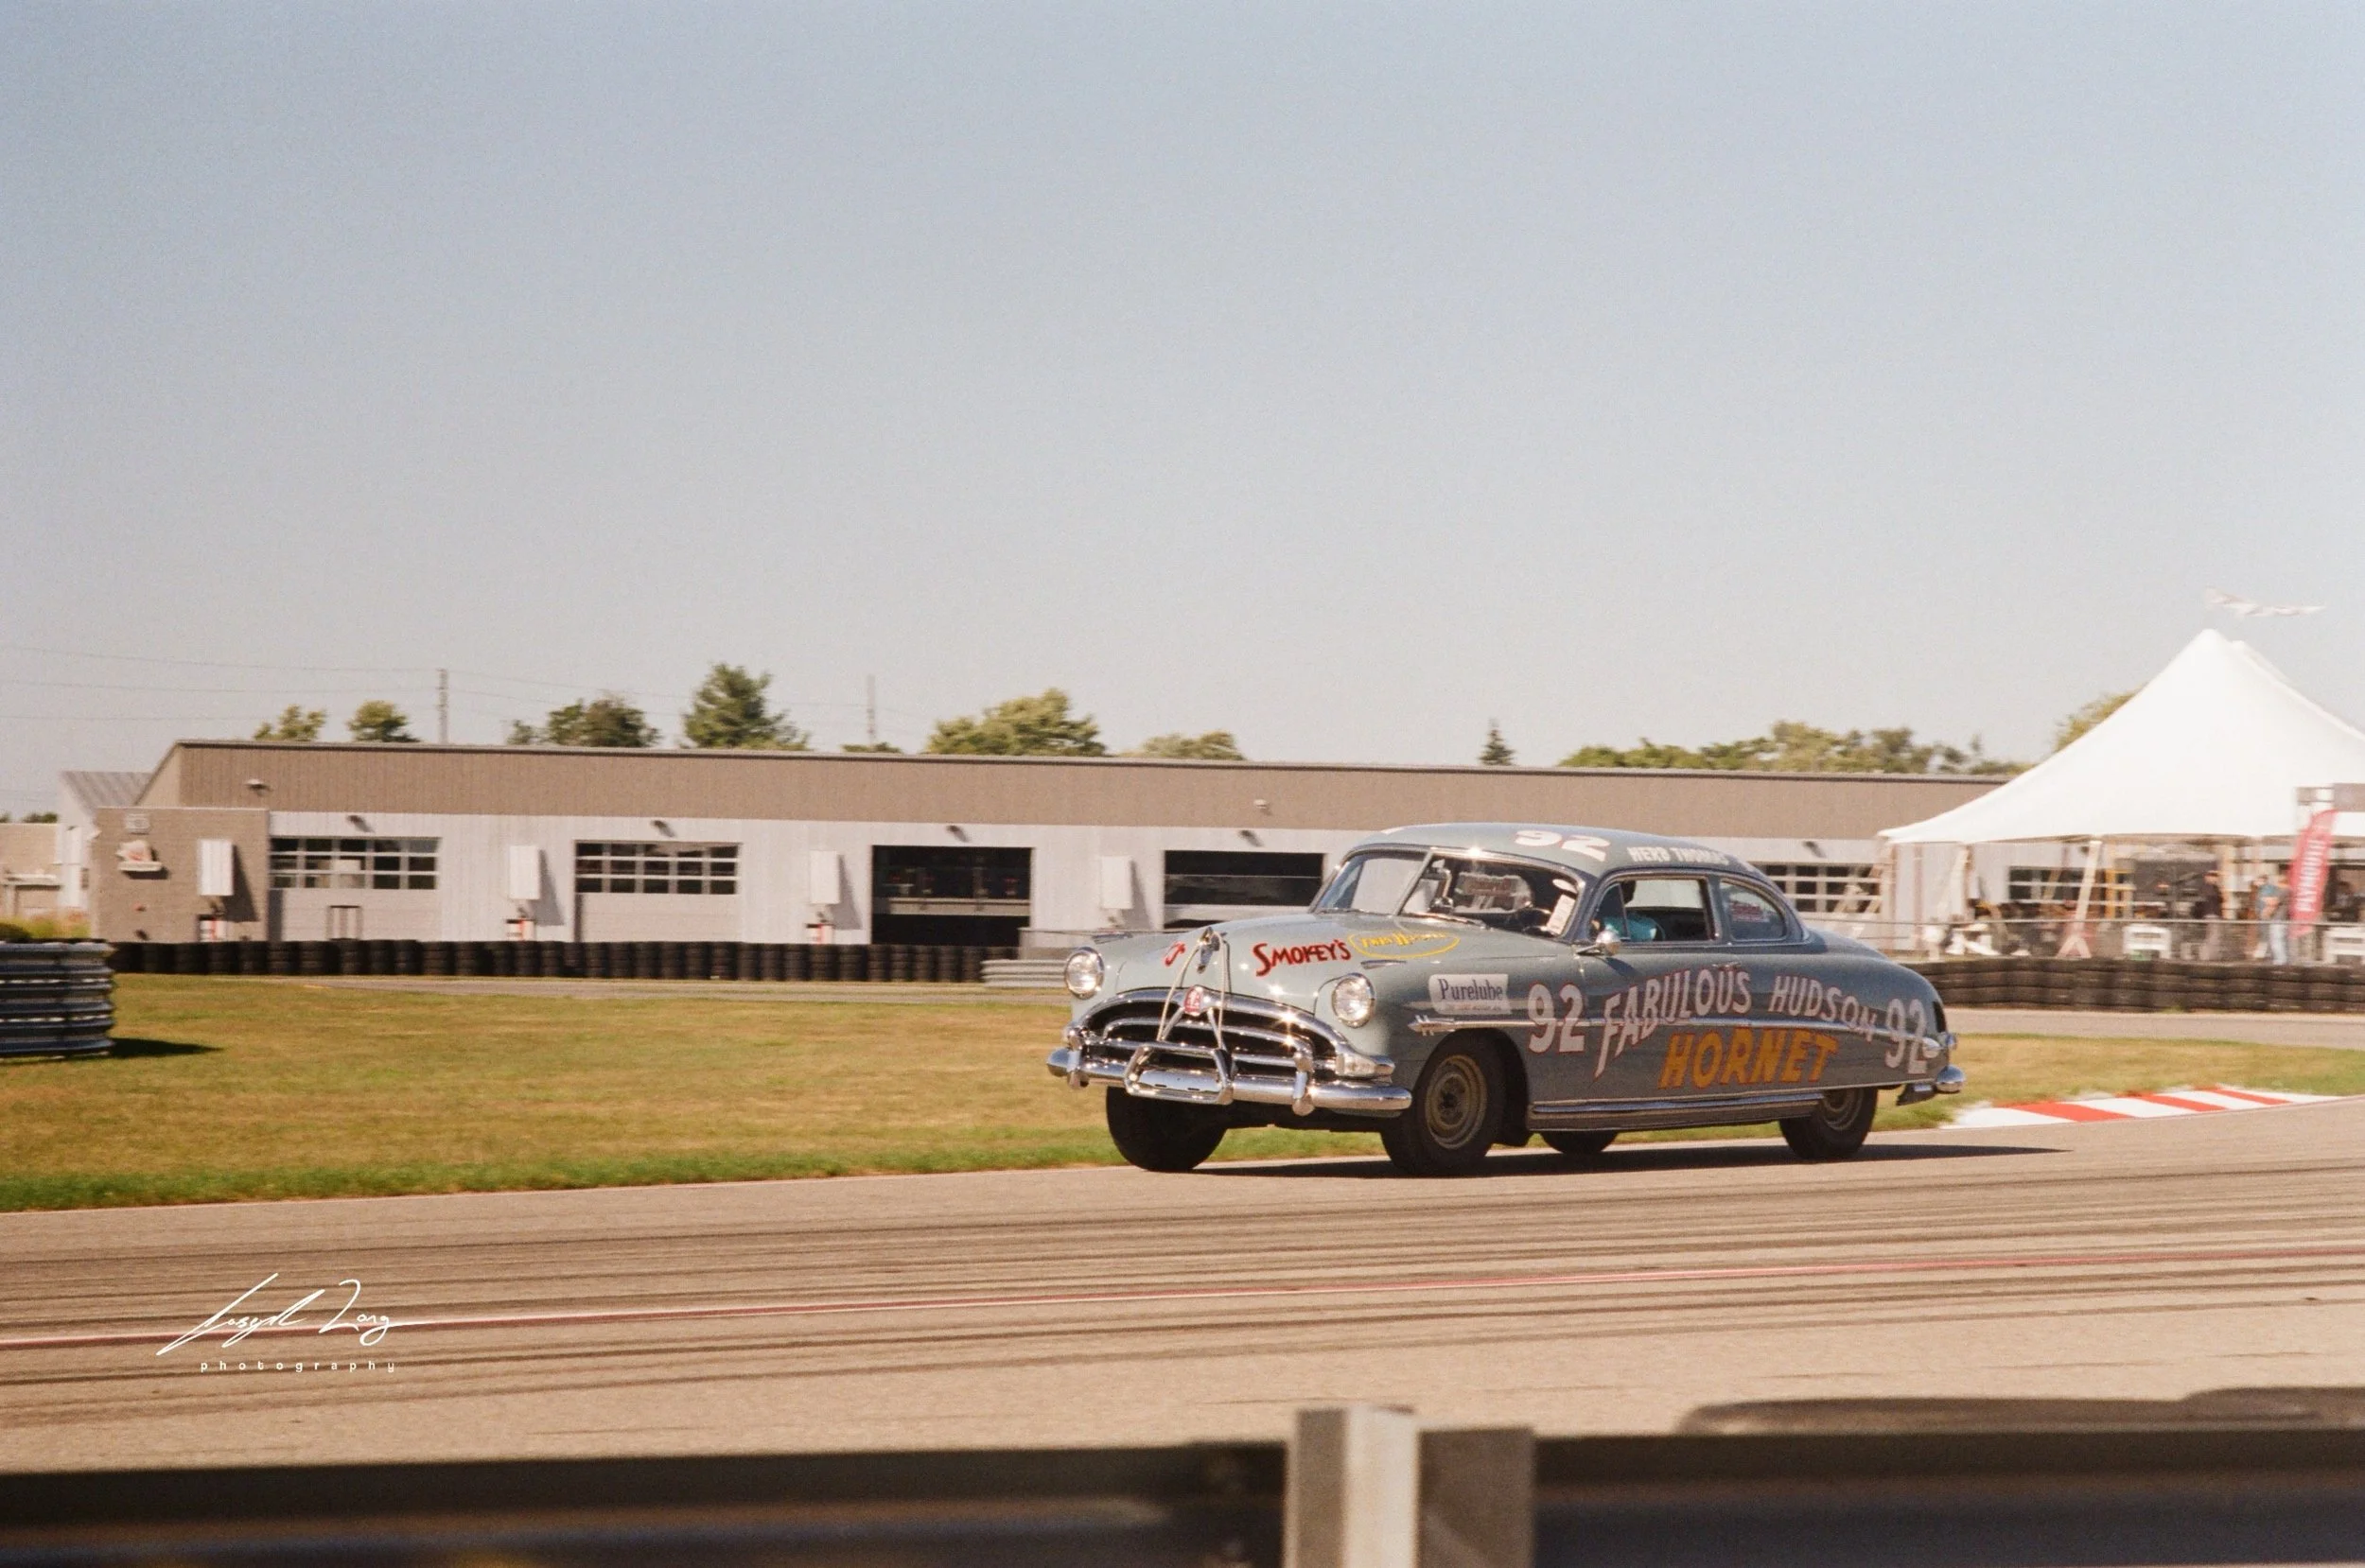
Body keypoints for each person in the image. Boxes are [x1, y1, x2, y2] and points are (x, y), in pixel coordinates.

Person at [2256, 868, 2290, 965]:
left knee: (2276, 941)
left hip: (2279, 920)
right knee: (2281, 941)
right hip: (2282, 920)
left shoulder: (2283, 890)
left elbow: (2274, 902)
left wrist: (2265, 900)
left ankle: (2280, 961)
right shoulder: (2287, 891)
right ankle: (2282, 960)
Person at [2191, 868, 2224, 961]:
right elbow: (2218, 899)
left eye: (2215, 877)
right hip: (2211, 914)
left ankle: (2209, 956)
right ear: (2207, 877)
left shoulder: (2213, 888)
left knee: (2212, 937)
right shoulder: (2208, 888)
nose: (2215, 879)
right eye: (2213, 876)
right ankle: (2208, 957)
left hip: (2212, 914)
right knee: (2212, 936)